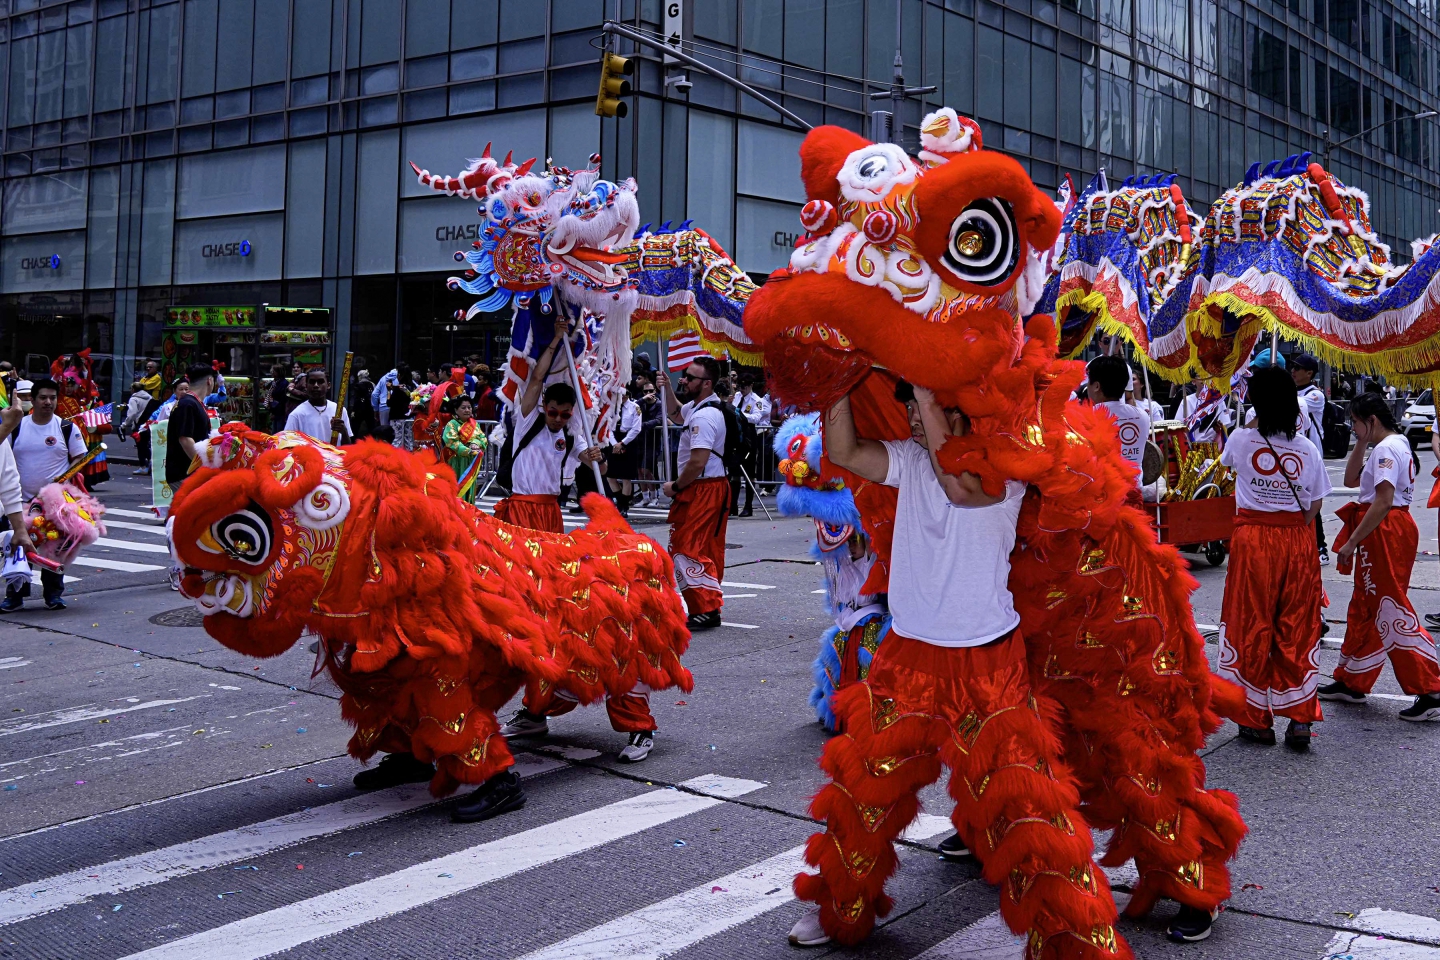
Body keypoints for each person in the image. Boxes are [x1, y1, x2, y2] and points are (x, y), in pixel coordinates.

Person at [786, 379, 1124, 951]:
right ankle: (841, 904)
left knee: (1027, 810)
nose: (914, 417)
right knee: (864, 791)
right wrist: (834, 383)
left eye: (928, 406)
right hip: (906, 656)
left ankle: (1074, 940)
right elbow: (844, 452)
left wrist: (925, 391)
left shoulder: (1006, 464)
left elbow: (963, 490)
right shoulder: (912, 459)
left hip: (987, 665)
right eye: (912, 408)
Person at [1215, 367, 1331, 750]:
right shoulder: (1308, 449)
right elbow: (1315, 504)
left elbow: (1227, 464)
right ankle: (1300, 720)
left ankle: (1256, 720)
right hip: (1297, 539)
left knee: (1251, 624)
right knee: (1298, 625)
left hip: (1253, 541)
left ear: (1256, 401)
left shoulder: (1241, 439)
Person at [1320, 392, 1440, 721]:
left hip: (1385, 529)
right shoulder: (1390, 444)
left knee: (1389, 607)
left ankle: (1432, 688)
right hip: (1384, 527)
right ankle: (1352, 680)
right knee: (1366, 606)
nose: (1353, 429)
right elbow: (1350, 480)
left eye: (1356, 423)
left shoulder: (1387, 448)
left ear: (1371, 420)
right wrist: (1362, 441)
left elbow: (1383, 500)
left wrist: (1351, 542)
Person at [492, 325, 600, 533]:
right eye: (553, 412)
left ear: (572, 411)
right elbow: (537, 378)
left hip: (551, 511)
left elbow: (600, 469)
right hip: (522, 509)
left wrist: (598, 458)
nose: (558, 419)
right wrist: (556, 338)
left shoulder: (570, 435)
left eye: (565, 415)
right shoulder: (528, 420)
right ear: (544, 405)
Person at [658, 356, 732, 631]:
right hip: (708, 487)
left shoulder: (705, 415)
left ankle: (706, 608)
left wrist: (676, 486)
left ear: (707, 383)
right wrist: (667, 387)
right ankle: (707, 607)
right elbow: (676, 413)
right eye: (685, 375)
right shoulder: (699, 407)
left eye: (690, 377)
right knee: (702, 548)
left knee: (685, 547)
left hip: (704, 488)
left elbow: (698, 461)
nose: (684, 380)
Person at [2, 379, 89, 611]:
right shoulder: (17, 427)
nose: (48, 402)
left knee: (55, 549)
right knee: (19, 548)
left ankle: (53, 595)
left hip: (55, 505)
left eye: (52, 397)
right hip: (20, 502)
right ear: (32, 399)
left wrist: (64, 478)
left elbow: (80, 457)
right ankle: (15, 596)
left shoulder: (66, 428)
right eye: (43, 397)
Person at [1086, 355, 1151, 506]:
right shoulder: (1142, 416)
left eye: (1088, 382)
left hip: (1101, 499)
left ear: (1096, 386)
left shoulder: (1087, 417)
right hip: (1133, 494)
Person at [1291, 354, 1331, 565]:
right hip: (1293, 455)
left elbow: (1293, 405)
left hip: (1310, 456)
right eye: (1292, 367)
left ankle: (1320, 548)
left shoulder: (1315, 395)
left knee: (1311, 503)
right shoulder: (1292, 392)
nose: (1293, 371)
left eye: (1298, 368)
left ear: (1309, 373)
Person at [284, 369, 352, 444]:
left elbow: (348, 446)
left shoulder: (339, 411)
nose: (316, 385)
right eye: (312, 382)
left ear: (328, 385)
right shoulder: (296, 415)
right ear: (306, 386)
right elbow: (287, 444)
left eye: (320, 382)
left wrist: (343, 431)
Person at [606, 383, 643, 517]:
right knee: (611, 476)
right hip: (614, 439)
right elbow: (608, 427)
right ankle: (621, 502)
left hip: (628, 441)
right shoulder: (611, 407)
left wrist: (623, 443)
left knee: (626, 477)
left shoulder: (635, 407)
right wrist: (615, 444)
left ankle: (624, 507)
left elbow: (636, 428)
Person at [441, 396, 486, 503]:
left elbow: (483, 439)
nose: (467, 410)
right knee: (457, 486)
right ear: (456, 410)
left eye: (469, 407)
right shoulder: (452, 424)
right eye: (463, 407)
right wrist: (467, 450)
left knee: (469, 487)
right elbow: (451, 441)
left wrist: (475, 443)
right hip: (456, 461)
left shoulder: (474, 424)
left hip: (471, 462)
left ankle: (469, 510)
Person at [1178, 373, 1231, 443]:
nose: (1205, 379)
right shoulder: (1186, 401)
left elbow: (1224, 427)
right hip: (1191, 445)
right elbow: (1179, 425)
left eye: (1208, 376)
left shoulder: (1219, 401)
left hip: (1212, 445)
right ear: (1193, 381)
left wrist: (1219, 429)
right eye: (1201, 375)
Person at [265, 363, 290, 432]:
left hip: (280, 413)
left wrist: (274, 413)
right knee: (275, 432)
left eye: (273, 371)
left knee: (278, 432)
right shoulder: (274, 382)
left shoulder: (284, 384)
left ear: (279, 372)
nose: (271, 372)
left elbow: (282, 401)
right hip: (275, 411)